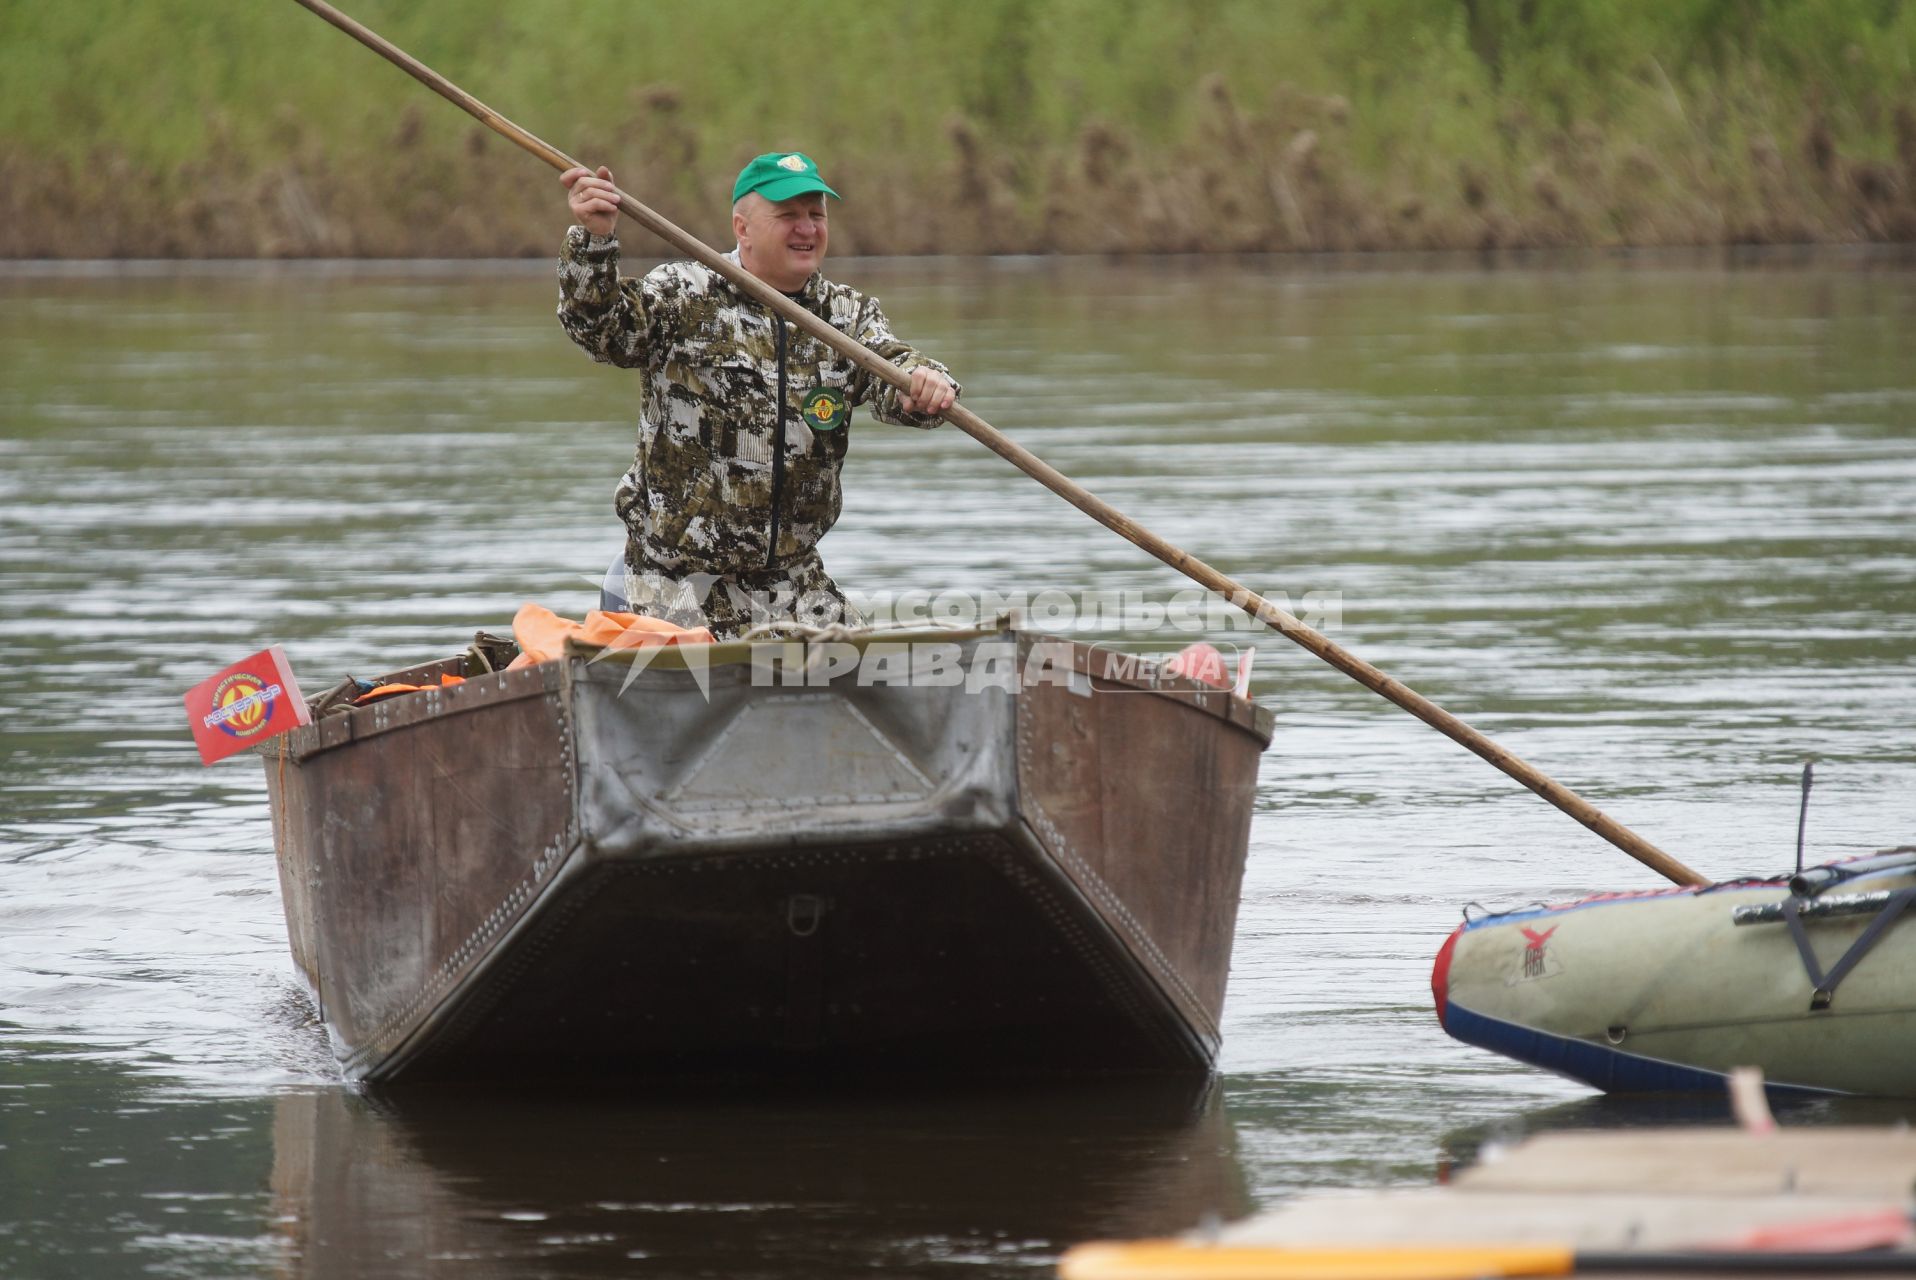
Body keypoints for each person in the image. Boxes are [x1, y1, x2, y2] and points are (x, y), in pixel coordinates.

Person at [556, 152, 958, 639]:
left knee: (874, 683)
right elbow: (601, 331)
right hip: (675, 581)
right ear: (742, 228)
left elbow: (895, 371)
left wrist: (926, 381)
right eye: (788, 215)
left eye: (816, 215)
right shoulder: (686, 292)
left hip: (792, 582)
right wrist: (596, 241)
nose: (806, 228)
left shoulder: (846, 314)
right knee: (710, 699)